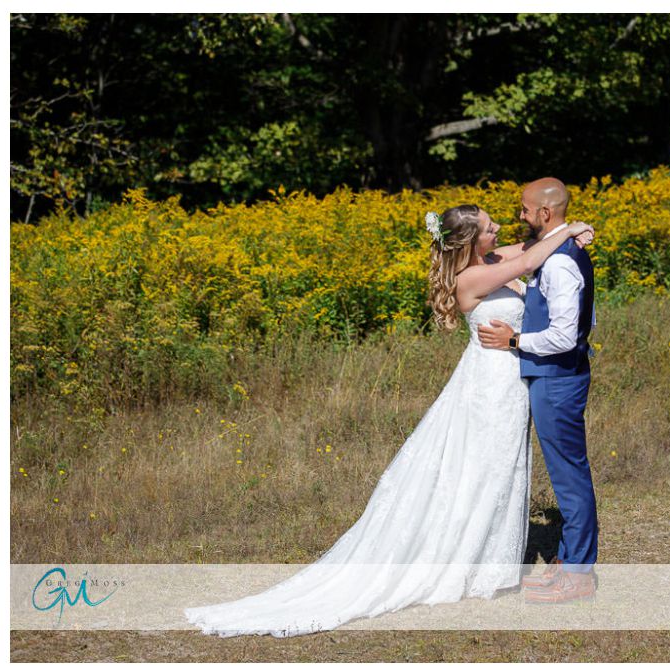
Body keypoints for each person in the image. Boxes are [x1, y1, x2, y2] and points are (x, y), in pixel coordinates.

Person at [183, 204, 594, 637]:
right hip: (491, 385)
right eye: (490, 228)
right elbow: (531, 258)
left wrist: (570, 233)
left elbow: (529, 246)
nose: (499, 230)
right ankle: (467, 562)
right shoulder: (470, 278)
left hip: (510, 380)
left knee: (501, 469)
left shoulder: (491, 259)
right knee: (485, 469)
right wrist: (572, 232)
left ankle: (485, 560)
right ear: (472, 242)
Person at [478, 177, 598, 604]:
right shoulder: (557, 253)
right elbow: (571, 312)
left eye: (526, 210)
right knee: (567, 474)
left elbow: (565, 336)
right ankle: (568, 560)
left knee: (569, 478)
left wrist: (515, 341)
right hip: (554, 377)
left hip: (557, 379)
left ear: (545, 214)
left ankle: (580, 575)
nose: (521, 216)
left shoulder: (563, 261)